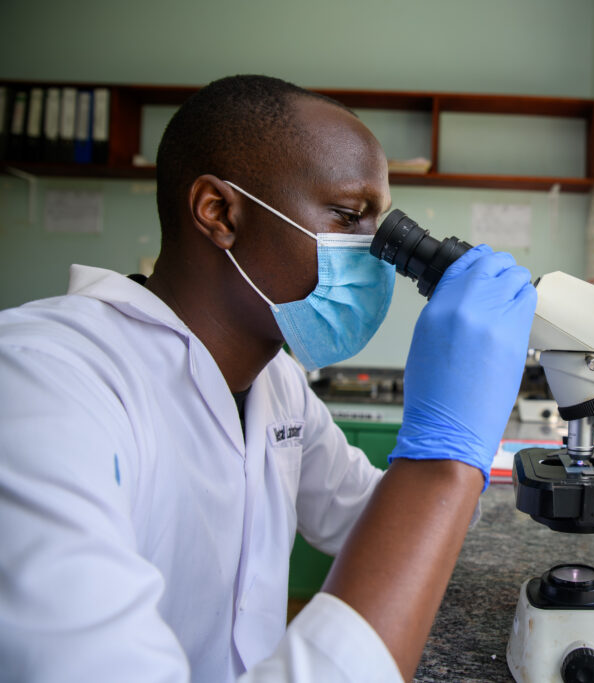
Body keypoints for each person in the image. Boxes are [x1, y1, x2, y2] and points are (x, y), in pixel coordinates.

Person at [0, 75, 537, 682]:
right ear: (219, 212)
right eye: (348, 216)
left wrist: (464, 438)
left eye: (378, 222)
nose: (376, 253)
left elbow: (356, 514)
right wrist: (441, 461)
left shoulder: (277, 382)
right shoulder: (42, 380)